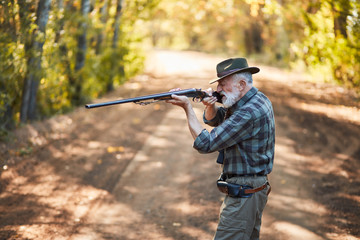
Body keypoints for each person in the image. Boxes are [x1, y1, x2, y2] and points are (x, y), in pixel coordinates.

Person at [166, 58, 275, 240]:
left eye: (223, 85)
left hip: (244, 196)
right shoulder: (256, 99)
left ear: (241, 84)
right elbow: (220, 119)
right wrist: (211, 106)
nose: (218, 90)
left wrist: (187, 107)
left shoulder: (248, 112)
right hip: (251, 191)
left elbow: (206, 143)